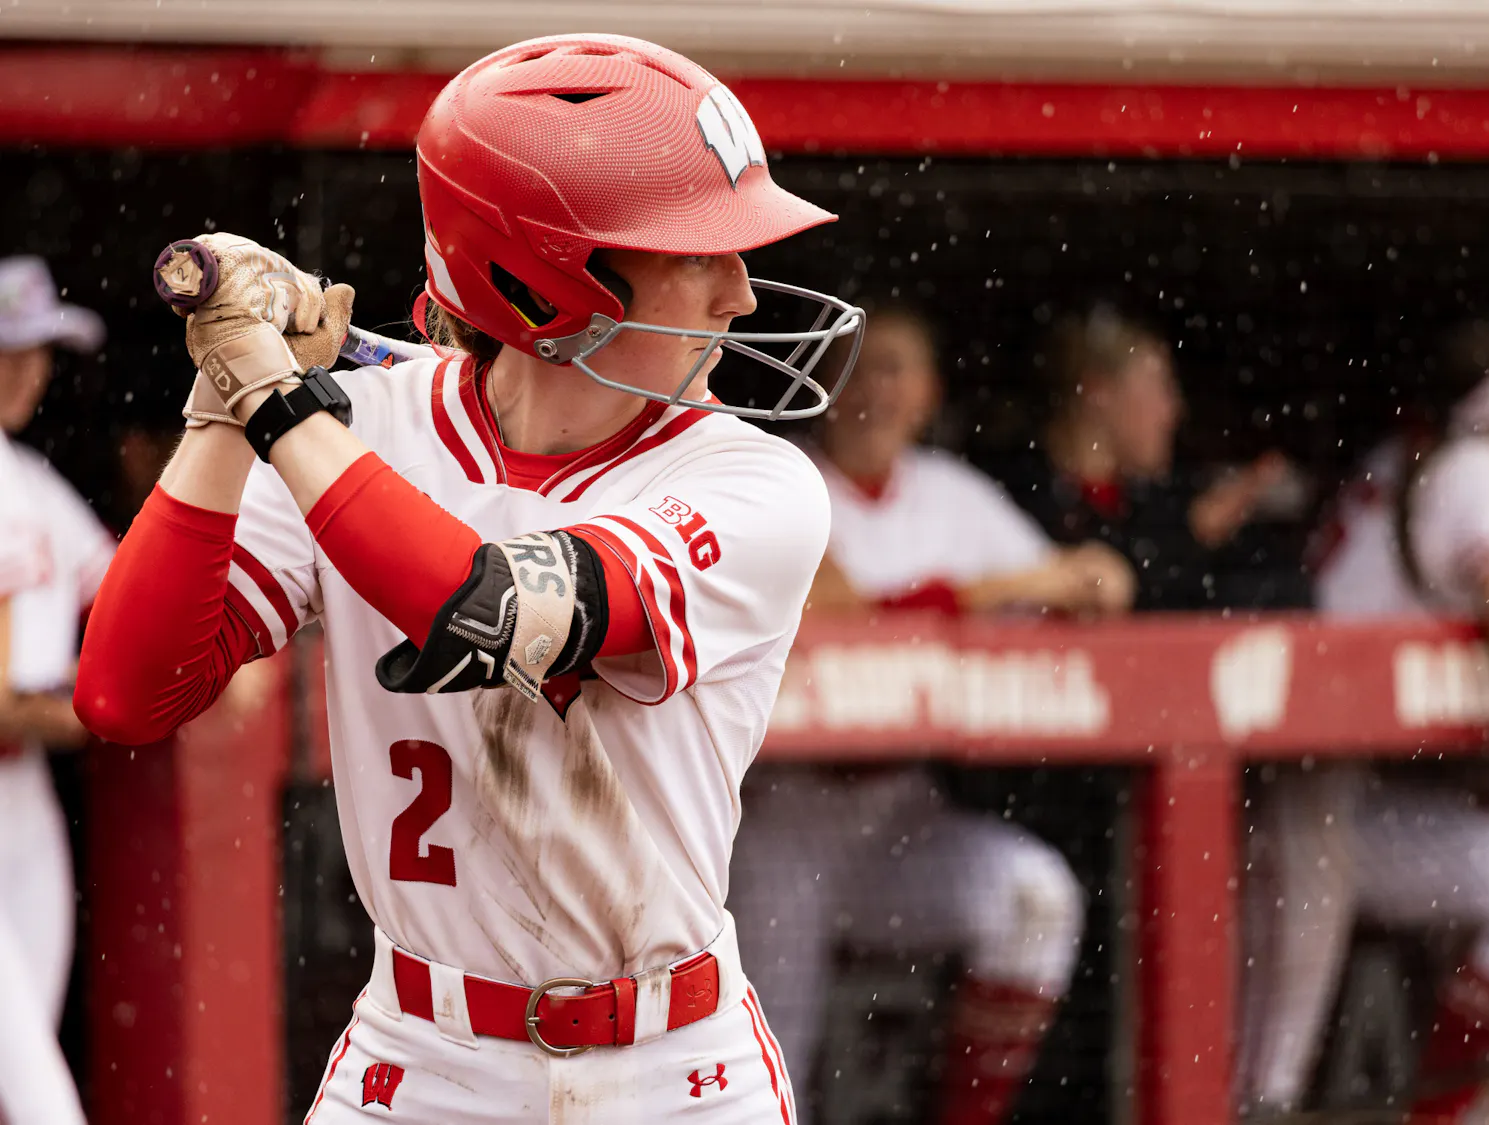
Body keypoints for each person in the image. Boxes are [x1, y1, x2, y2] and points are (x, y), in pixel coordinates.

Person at [75, 34, 864, 1124]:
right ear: (549, 283)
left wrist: (282, 406)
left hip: (674, 1071)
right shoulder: (357, 428)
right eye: (695, 253)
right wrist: (225, 402)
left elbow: (488, 607)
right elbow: (127, 690)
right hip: (420, 1059)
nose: (738, 293)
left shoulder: (755, 480)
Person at [730, 304, 1135, 1125]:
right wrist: (1002, 590)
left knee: (1035, 899)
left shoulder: (950, 493)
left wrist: (1081, 578)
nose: (875, 388)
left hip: (900, 811)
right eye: (858, 366)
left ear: (929, 392)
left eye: (896, 368)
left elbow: (1095, 583)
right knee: (773, 1061)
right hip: (780, 813)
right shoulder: (781, 474)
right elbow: (839, 609)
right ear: (824, 383)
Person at [1243, 321, 1489, 1123]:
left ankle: (1445, 1114)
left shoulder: (1415, 458)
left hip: (1332, 788)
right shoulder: (1474, 471)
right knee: (1259, 1077)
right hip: (1291, 785)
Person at [0, 255, 112, 1125]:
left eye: (36, 352)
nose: (24, 371)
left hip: (24, 800)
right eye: (6, 352)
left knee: (28, 1052)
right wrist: (103, 707)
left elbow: (133, 598)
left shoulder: (32, 481)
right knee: (41, 1097)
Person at [992, 305, 1303, 611]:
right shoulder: (1016, 496)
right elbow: (1094, 589)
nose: (1173, 411)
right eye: (1158, 387)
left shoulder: (1163, 500)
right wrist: (1189, 537)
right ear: (1098, 392)